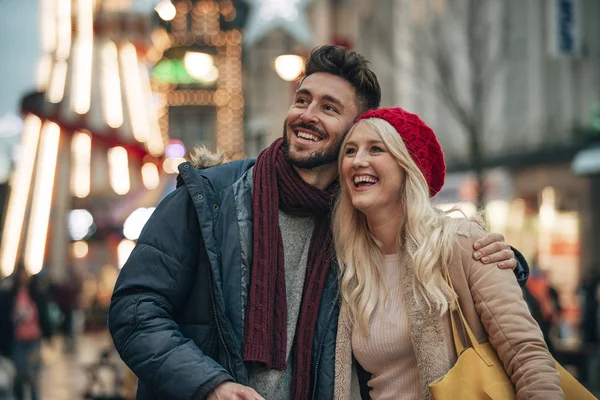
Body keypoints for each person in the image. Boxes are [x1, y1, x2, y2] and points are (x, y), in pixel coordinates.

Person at [108, 45, 526, 400]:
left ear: (353, 132)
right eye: (302, 100)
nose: (307, 114)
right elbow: (135, 310)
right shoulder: (210, 198)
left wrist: (504, 262)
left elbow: (427, 253)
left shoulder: (358, 220)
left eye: (329, 108)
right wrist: (209, 384)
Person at [332, 108, 561, 399]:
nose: (357, 161)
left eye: (376, 148)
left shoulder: (462, 243)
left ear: (408, 166)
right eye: (350, 151)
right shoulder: (349, 266)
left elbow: (527, 356)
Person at [0, 265, 53, 400]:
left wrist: (48, 334)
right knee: (19, 376)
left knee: (34, 377)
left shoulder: (35, 295)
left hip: (33, 340)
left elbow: (43, 315)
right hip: (18, 340)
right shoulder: (10, 296)